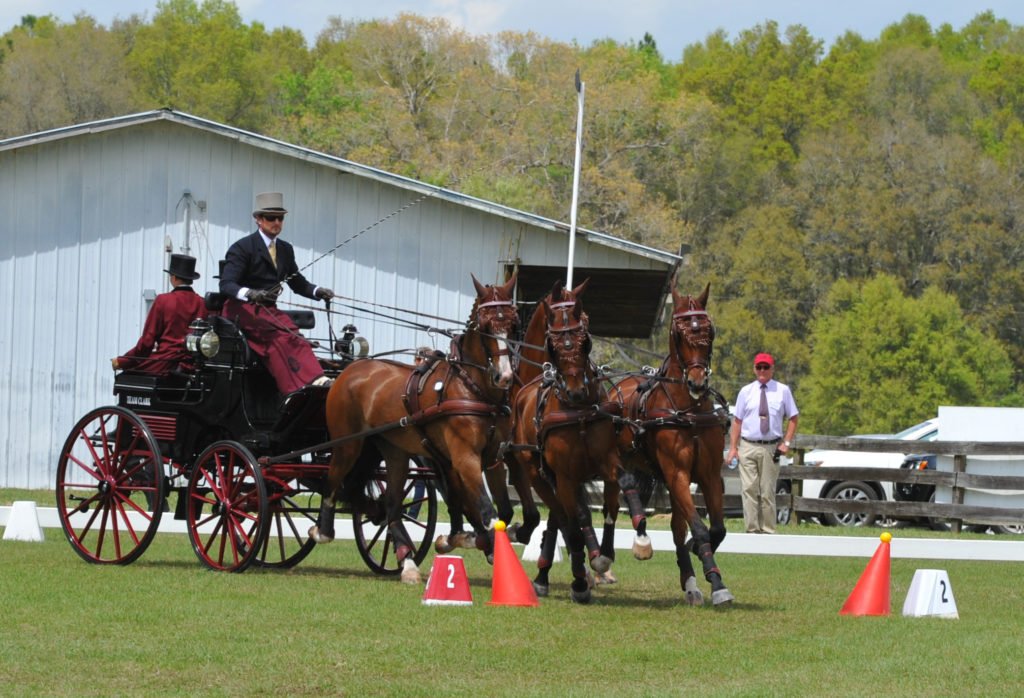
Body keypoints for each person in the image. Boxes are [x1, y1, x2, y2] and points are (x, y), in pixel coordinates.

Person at [219, 192, 335, 395]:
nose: (276, 222)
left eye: (280, 218)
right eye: (271, 218)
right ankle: (292, 390)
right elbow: (226, 284)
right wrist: (250, 293)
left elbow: (297, 283)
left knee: (297, 337)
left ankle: (317, 380)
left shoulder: (285, 250)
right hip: (242, 311)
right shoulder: (242, 248)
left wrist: (318, 291)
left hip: (268, 312)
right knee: (280, 339)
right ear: (258, 219)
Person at [726, 352, 799, 534]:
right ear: (754, 369)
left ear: (772, 369)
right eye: (759, 367)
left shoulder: (782, 390)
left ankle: (768, 530)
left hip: (771, 446)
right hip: (748, 444)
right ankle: (752, 529)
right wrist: (733, 448)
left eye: (766, 367)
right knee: (749, 488)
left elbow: (793, 417)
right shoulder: (746, 391)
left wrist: (786, 442)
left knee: (767, 490)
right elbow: (737, 421)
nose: (762, 370)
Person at [112, 254, 207, 375]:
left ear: (174, 278)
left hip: (166, 363)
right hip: (192, 365)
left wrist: (123, 361)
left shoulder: (163, 300)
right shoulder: (202, 303)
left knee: (127, 376)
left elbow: (147, 342)